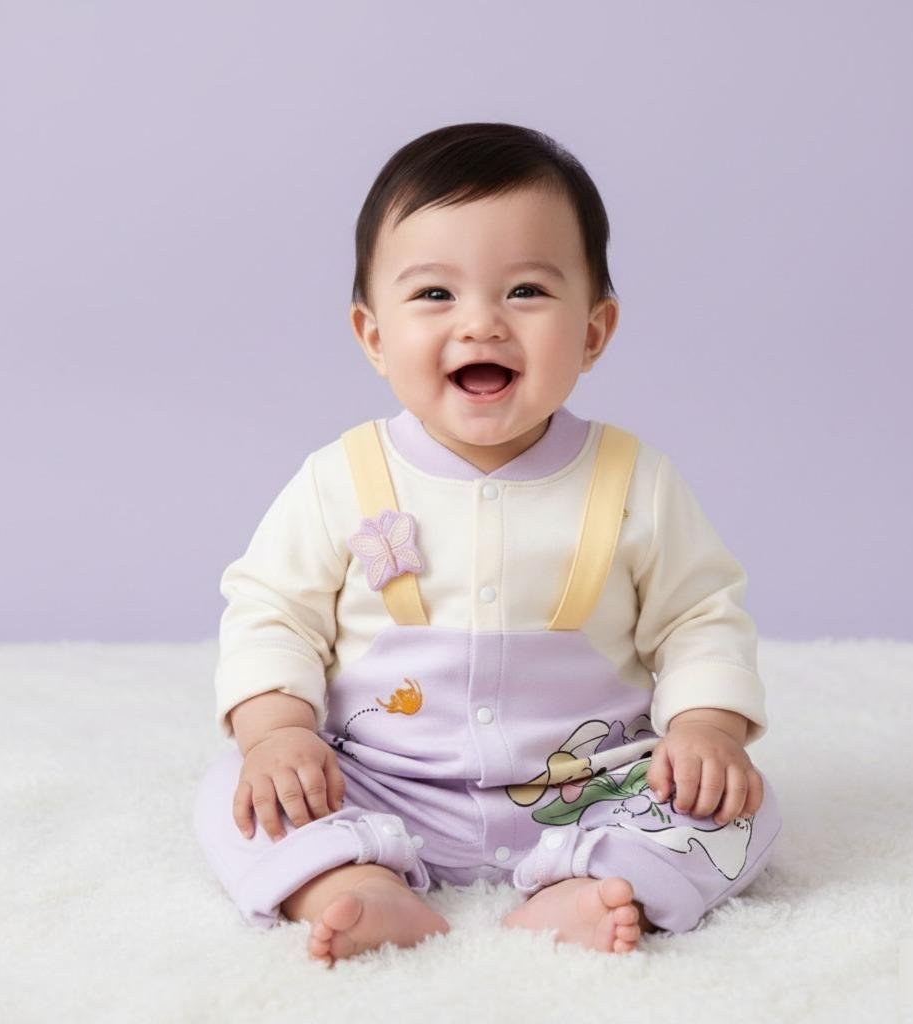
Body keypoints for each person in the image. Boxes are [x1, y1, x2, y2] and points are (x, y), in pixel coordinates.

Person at [192, 122, 783, 968]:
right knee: (234, 793)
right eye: (435, 294)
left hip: (589, 787)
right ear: (373, 335)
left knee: (741, 811)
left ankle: (593, 883)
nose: (481, 324)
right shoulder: (338, 478)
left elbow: (700, 617)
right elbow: (271, 613)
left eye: (526, 291)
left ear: (594, 331)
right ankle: (353, 881)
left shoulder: (635, 480)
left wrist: (706, 730)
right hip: (381, 782)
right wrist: (278, 733)